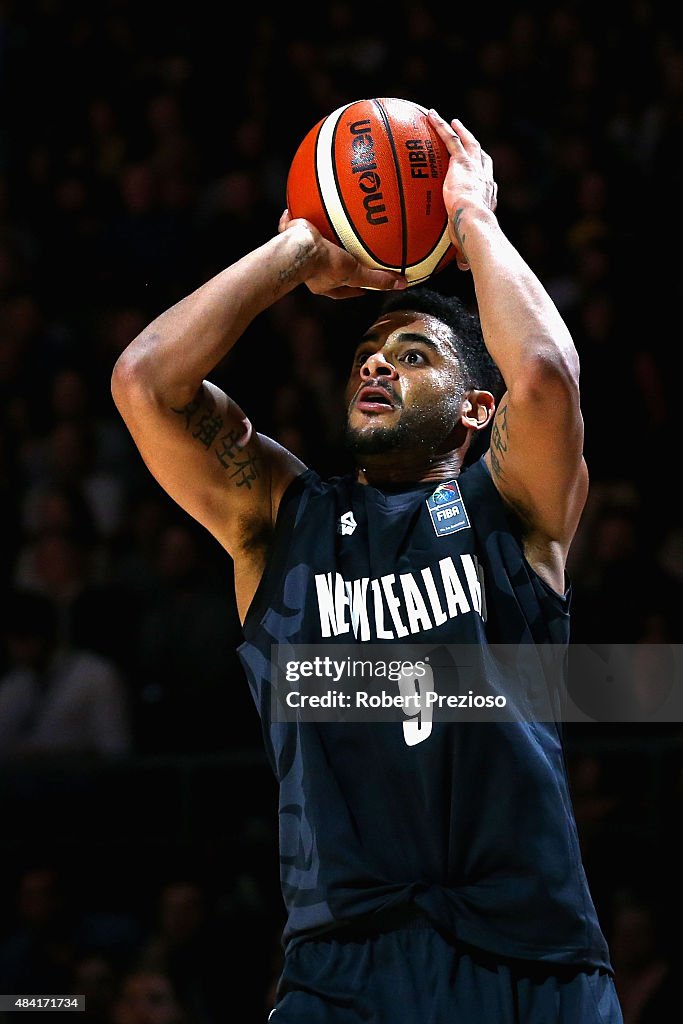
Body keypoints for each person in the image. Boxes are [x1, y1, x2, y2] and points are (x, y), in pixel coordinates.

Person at [111, 109, 623, 1021]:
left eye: (412, 353)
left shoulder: (510, 510)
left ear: (473, 410)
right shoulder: (280, 517)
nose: (377, 365)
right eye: (367, 353)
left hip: (533, 963)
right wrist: (303, 245)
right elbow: (145, 380)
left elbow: (541, 373)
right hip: (342, 971)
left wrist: (471, 216)